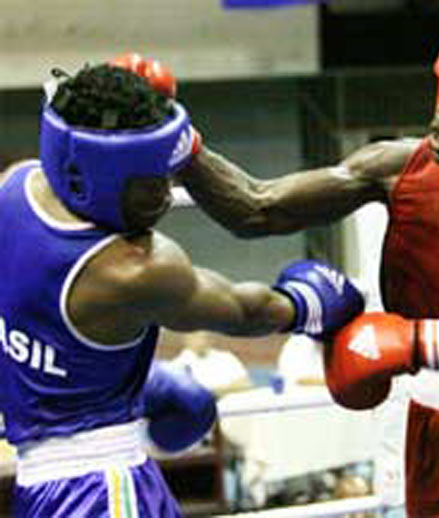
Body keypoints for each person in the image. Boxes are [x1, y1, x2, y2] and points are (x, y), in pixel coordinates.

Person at [177, 32, 439, 517]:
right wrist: (185, 150)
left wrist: (423, 343)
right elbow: (258, 209)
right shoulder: (396, 168)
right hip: (427, 420)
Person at [0, 60, 365, 517]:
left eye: (167, 176)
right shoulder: (132, 268)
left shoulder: (15, 187)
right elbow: (245, 312)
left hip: (38, 489)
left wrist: (92, 377)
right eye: (147, 184)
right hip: (103, 492)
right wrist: (308, 302)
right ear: (89, 175)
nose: (167, 196)